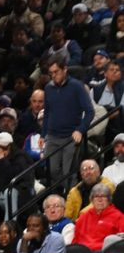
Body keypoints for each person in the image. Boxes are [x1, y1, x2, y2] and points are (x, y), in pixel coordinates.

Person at [42, 54, 95, 190]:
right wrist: (43, 134)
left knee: (69, 174)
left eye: (56, 72)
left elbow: (90, 111)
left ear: (65, 69)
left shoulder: (77, 86)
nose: (53, 76)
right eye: (51, 73)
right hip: (52, 136)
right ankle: (66, 194)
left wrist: (80, 130)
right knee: (51, 171)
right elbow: (47, 113)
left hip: (70, 137)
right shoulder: (48, 88)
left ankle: (71, 197)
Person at [72, 184, 124, 253]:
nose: (100, 200)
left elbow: (121, 241)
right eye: (96, 196)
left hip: (104, 252)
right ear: (92, 200)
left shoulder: (119, 217)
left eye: (103, 196)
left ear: (109, 199)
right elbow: (75, 240)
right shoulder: (83, 217)